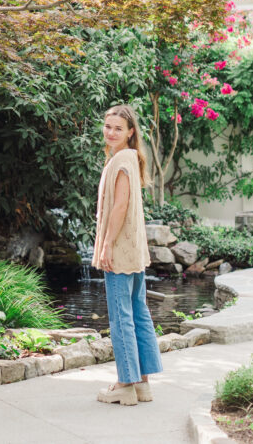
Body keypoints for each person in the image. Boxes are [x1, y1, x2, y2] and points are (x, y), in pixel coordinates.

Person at [92, 104, 162, 406]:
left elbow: (119, 206)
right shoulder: (132, 158)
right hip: (134, 249)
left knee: (121, 316)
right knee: (137, 311)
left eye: (118, 128)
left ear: (130, 132)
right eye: (108, 127)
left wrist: (106, 244)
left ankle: (125, 384)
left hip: (120, 250)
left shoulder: (121, 159)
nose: (111, 133)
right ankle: (142, 383)